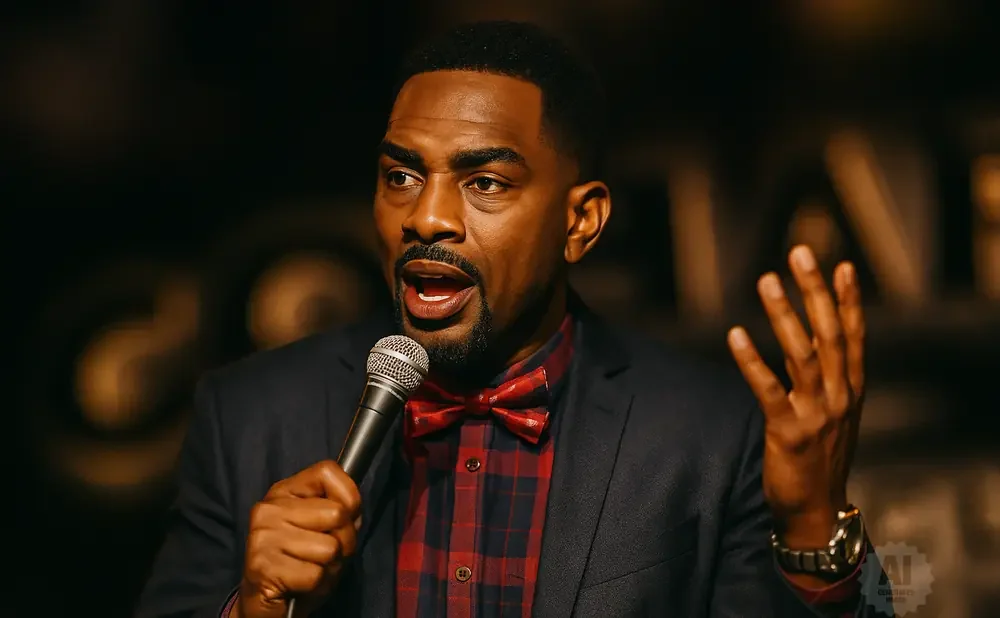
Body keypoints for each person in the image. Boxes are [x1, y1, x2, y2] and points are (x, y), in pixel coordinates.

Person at [136, 21, 889, 618]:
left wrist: (813, 532)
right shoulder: (248, 417)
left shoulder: (708, 434)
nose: (425, 217)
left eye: (485, 182)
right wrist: (259, 611)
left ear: (581, 222)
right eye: (401, 175)